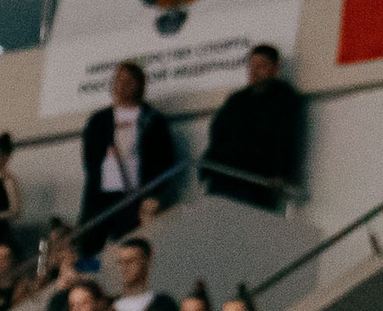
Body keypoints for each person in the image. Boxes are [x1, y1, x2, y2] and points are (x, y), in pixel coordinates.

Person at [79, 61, 180, 247]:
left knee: (131, 245)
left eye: (129, 81)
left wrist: (155, 194)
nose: (122, 85)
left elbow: (166, 160)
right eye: (119, 80)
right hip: (100, 197)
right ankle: (90, 275)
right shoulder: (99, 120)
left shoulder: (153, 119)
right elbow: (89, 158)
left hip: (136, 197)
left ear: (139, 84)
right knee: (89, 249)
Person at [200, 45, 303, 208]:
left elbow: (286, 139)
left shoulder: (285, 100)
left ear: (275, 68)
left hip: (256, 181)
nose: (254, 72)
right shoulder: (237, 100)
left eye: (261, 66)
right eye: (252, 66)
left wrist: (281, 173)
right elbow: (218, 133)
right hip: (224, 177)